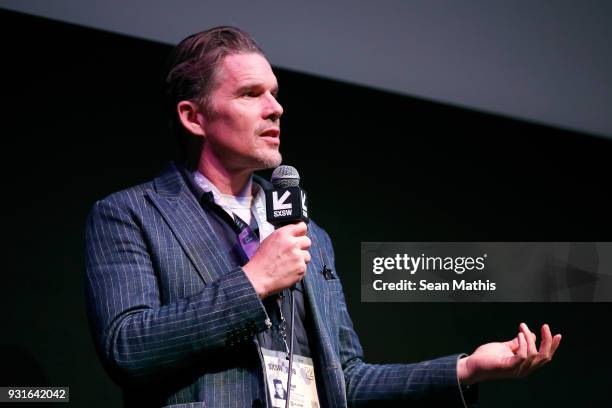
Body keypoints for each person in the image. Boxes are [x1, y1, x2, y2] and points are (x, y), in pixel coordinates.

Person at [84, 26, 561, 407]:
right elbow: (128, 348)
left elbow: (345, 381)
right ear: (194, 117)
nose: (276, 108)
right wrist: (252, 282)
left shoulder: (308, 234)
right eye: (251, 94)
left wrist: (466, 369)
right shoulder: (130, 214)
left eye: (275, 93)